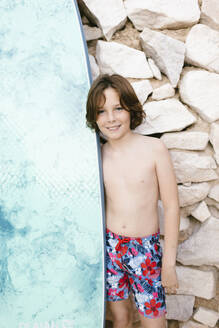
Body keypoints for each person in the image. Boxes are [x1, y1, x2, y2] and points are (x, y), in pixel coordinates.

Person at [86, 74, 180, 328]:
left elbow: (171, 207)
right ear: (94, 118)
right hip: (111, 247)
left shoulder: (154, 149)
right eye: (101, 111)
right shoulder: (99, 155)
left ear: (130, 108)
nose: (111, 118)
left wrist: (168, 263)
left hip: (146, 250)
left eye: (118, 108)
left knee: (153, 322)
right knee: (120, 318)